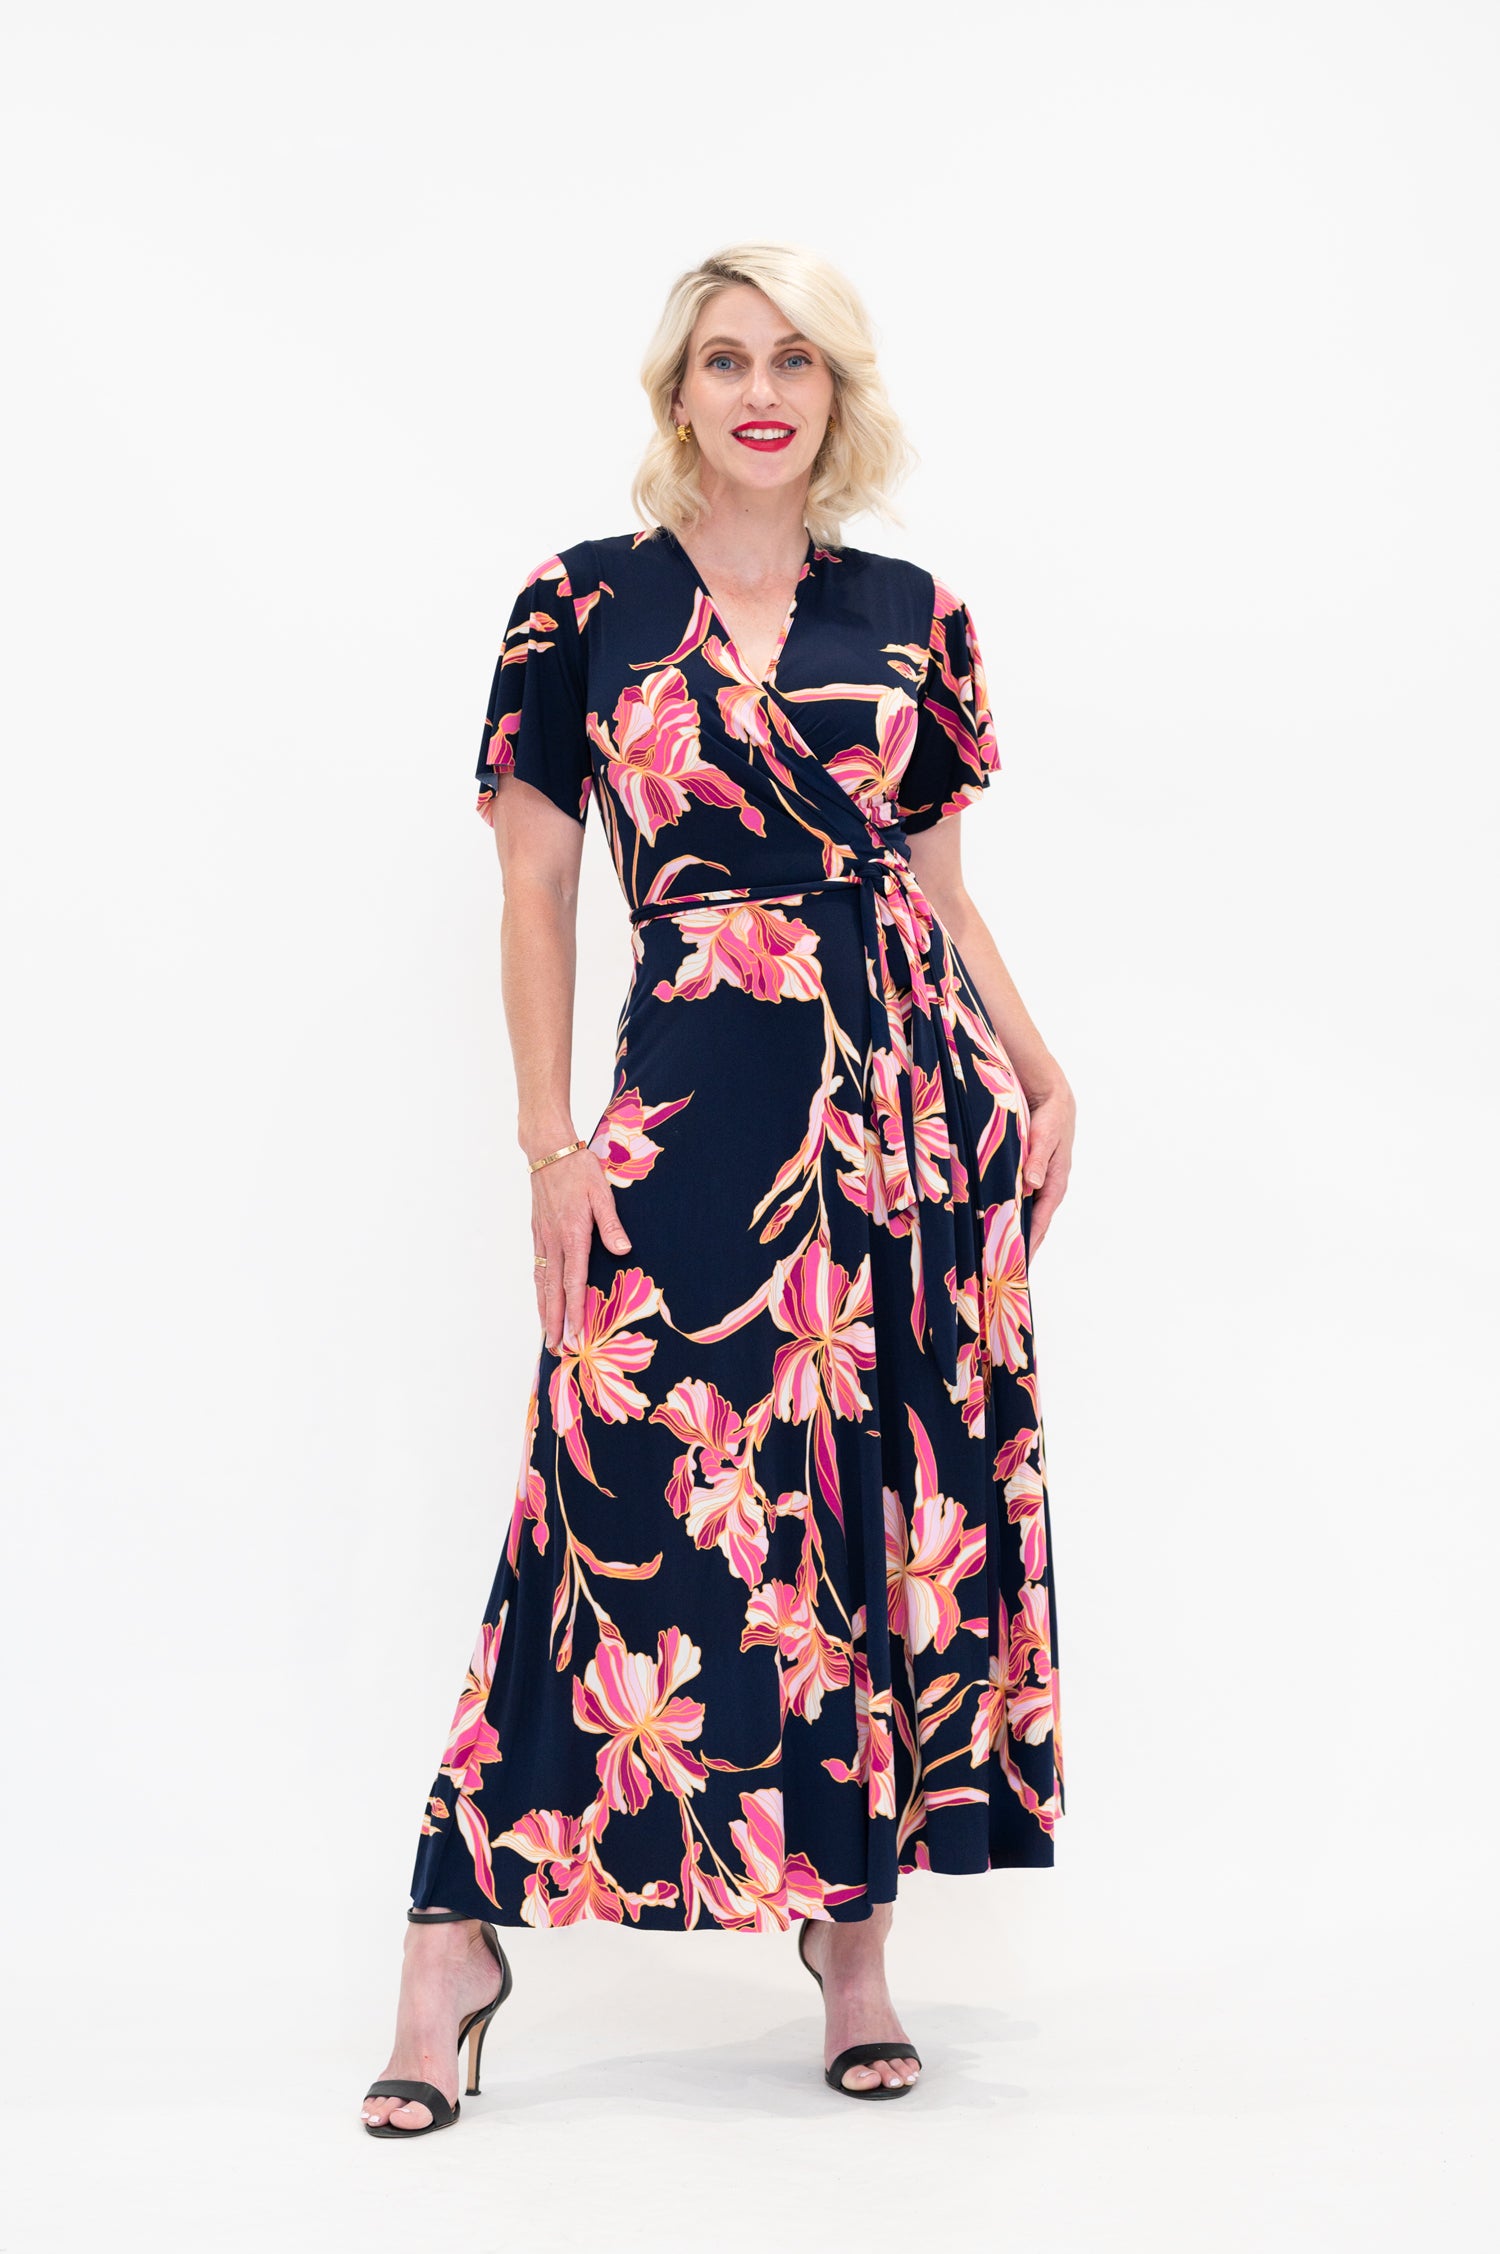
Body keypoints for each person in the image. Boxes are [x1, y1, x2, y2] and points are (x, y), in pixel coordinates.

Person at [361, 241, 1076, 2137]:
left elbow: (935, 886)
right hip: (694, 1105)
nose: (764, 391)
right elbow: (534, 889)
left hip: (912, 1112)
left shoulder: (915, 613)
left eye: (798, 361)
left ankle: (853, 1940)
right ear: (676, 392)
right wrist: (550, 1143)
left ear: (839, 393)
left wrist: (1038, 1065)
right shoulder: (580, 605)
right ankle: (452, 1931)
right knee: (607, 1485)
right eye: (727, 359)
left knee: (874, 1498)